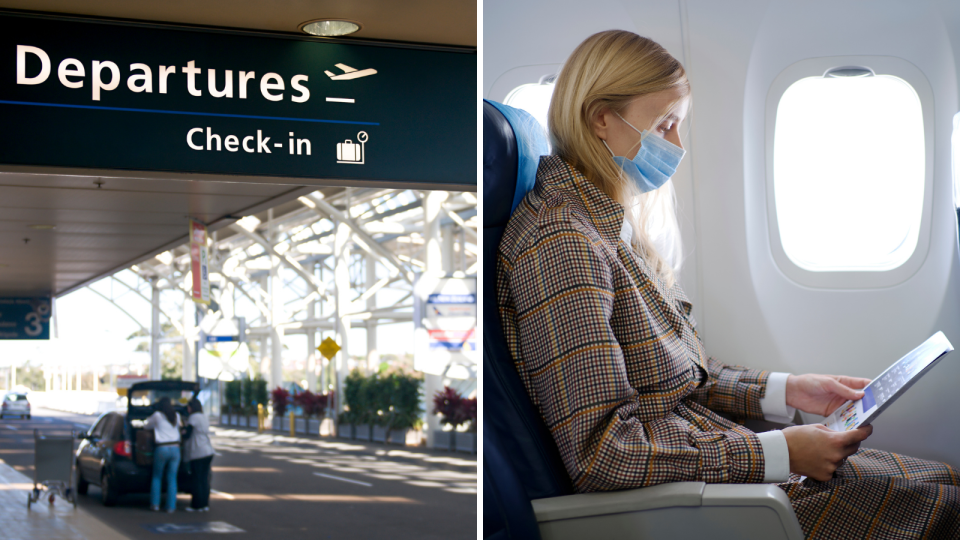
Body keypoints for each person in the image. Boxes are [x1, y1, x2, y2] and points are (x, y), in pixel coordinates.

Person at [495, 30, 960, 539]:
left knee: (943, 484)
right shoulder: (563, 243)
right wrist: (780, 452)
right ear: (601, 118)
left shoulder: (604, 226)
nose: (677, 146)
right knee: (943, 503)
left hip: (704, 458)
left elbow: (677, 374)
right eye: (665, 125)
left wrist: (791, 390)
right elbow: (604, 453)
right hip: (675, 502)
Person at [143, 396, 182, 512]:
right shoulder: (176, 416)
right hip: (176, 449)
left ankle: (155, 505)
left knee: (157, 477)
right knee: (172, 478)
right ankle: (171, 506)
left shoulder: (157, 416)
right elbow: (180, 427)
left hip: (162, 448)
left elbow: (146, 426)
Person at [181, 398, 214, 512]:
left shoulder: (193, 417)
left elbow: (187, 434)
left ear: (192, 407)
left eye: (189, 407)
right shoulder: (204, 416)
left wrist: (183, 431)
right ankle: (205, 504)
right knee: (204, 480)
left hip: (198, 452)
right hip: (208, 451)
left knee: (196, 480)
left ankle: (196, 505)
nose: (188, 409)